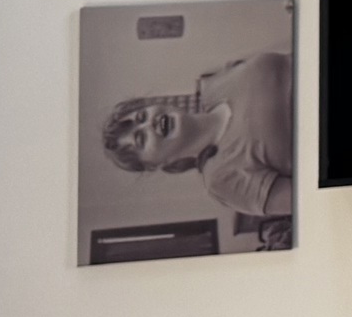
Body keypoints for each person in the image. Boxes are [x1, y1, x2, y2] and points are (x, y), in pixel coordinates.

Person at [103, 48, 294, 218]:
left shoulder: (213, 84)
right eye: (141, 138)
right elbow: (307, 198)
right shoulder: (221, 180)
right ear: (159, 163)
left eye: (142, 116)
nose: (149, 124)